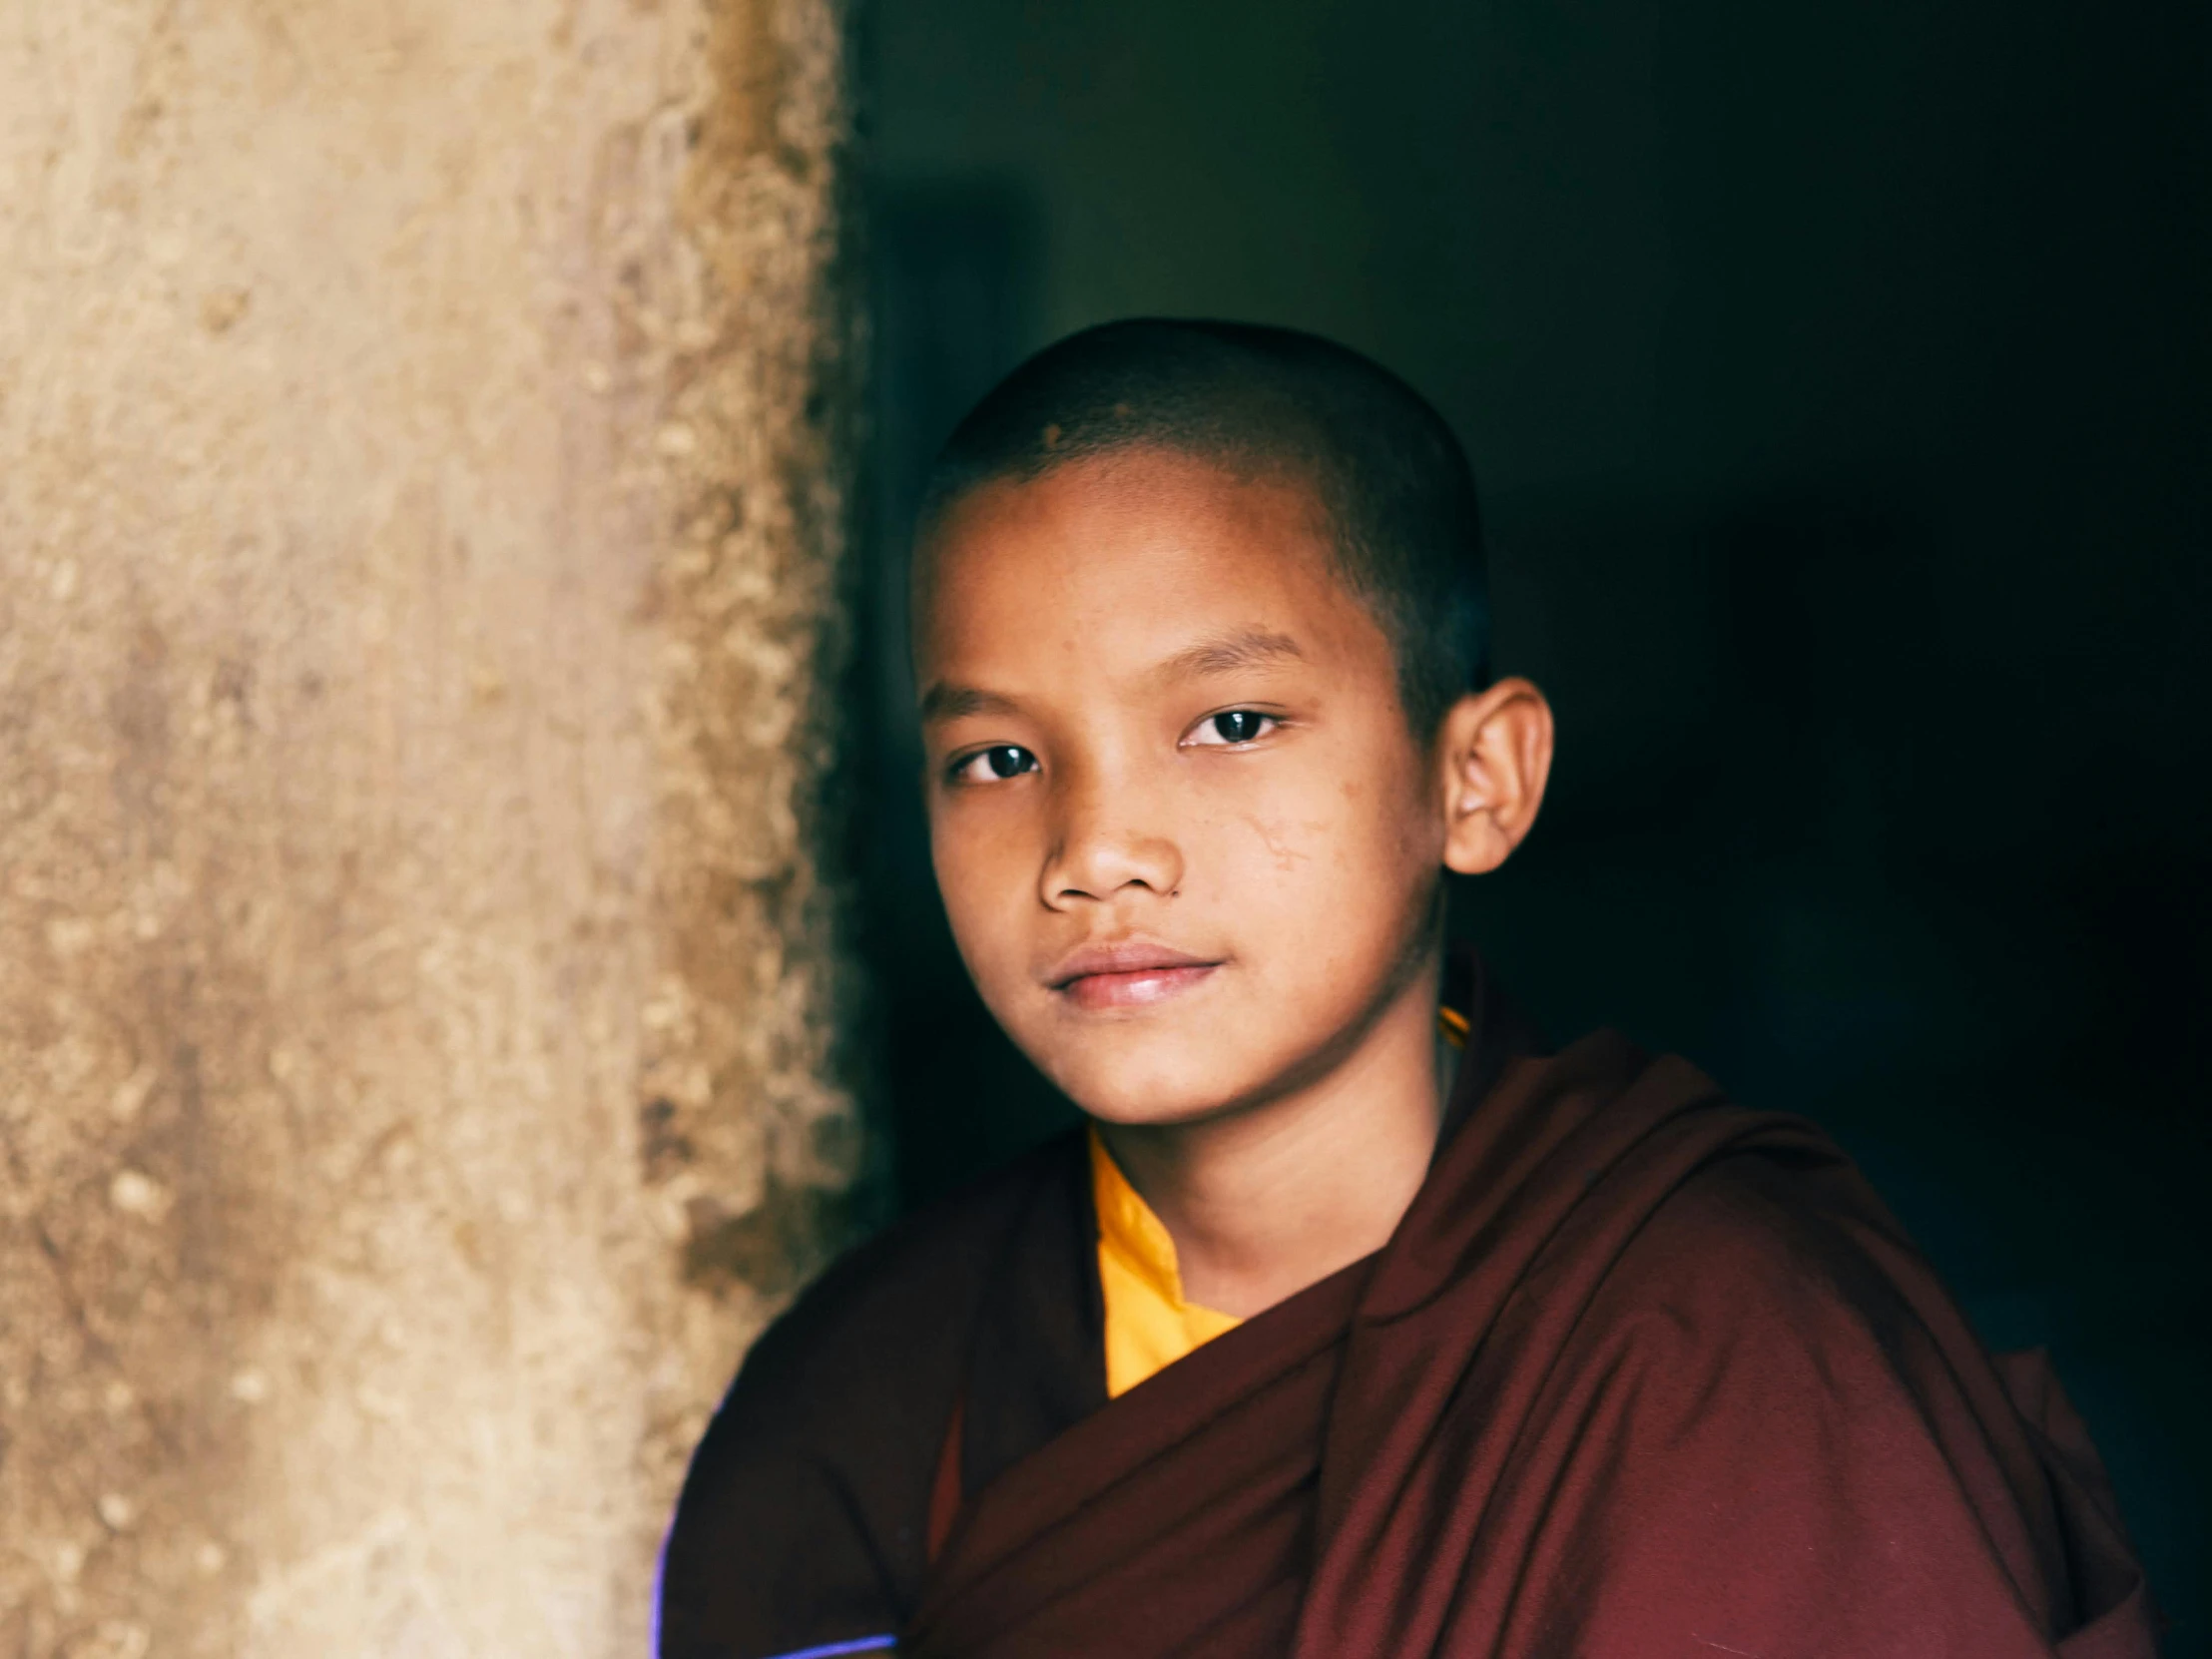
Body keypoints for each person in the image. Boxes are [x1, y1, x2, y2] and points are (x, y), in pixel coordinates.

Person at [657, 320, 2159, 1658]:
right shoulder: (859, 1400)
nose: (1094, 849)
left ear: (1476, 778)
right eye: (997, 758)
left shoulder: (1723, 1351)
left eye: (1232, 721)